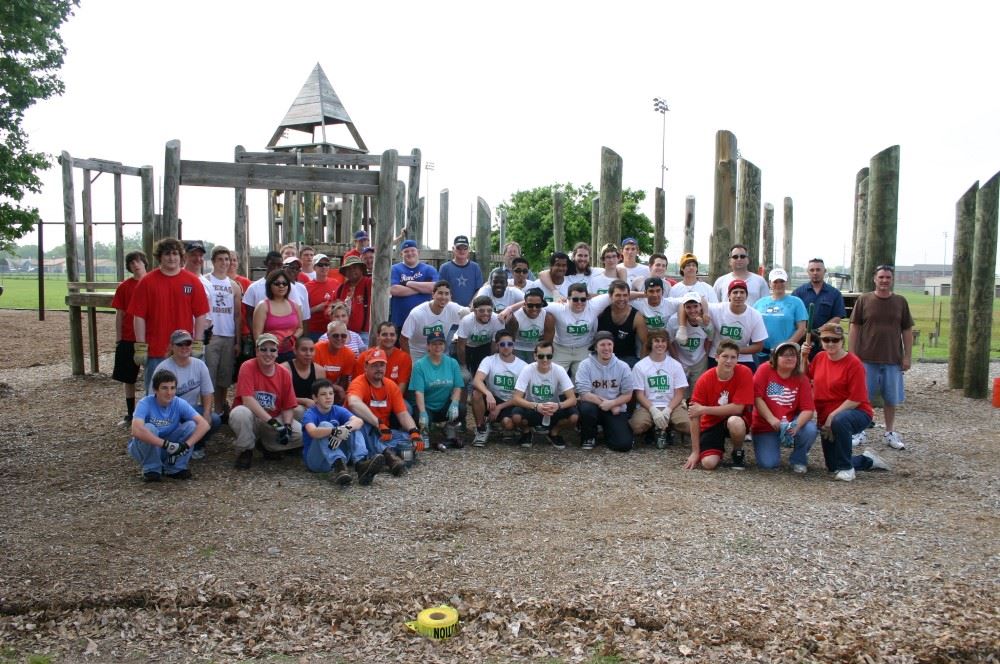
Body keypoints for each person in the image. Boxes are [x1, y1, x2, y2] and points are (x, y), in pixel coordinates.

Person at [803, 323, 891, 480]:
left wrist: (832, 416)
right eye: (826, 339)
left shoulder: (854, 363)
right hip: (826, 414)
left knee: (839, 421)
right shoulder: (819, 358)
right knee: (832, 466)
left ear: (842, 341)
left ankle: (847, 469)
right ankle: (867, 460)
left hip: (855, 412)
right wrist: (803, 357)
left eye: (835, 340)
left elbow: (856, 399)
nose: (830, 343)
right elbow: (805, 376)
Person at [128, 237, 210, 393]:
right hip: (156, 350)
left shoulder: (193, 281)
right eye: (167, 254)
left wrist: (198, 342)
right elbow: (138, 316)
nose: (171, 258)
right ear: (160, 257)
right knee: (155, 394)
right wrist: (140, 346)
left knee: (185, 394)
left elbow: (201, 314)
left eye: (175, 253)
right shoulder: (146, 282)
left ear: (181, 256)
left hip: (184, 349)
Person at [849, 265, 914, 450]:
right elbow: (855, 327)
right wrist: (852, 354)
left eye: (888, 277)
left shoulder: (900, 301)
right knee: (862, 397)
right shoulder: (864, 300)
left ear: (892, 279)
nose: (884, 280)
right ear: (874, 279)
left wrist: (907, 356)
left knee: (891, 398)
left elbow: (907, 329)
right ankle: (859, 431)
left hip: (892, 359)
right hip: (866, 358)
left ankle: (890, 432)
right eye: (881, 277)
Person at [229, 333, 303, 469]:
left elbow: (288, 405)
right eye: (263, 349)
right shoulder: (247, 366)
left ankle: (267, 446)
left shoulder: (284, 373)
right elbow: (247, 400)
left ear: (277, 353)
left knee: (299, 434)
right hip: (252, 418)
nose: (268, 353)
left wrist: (286, 426)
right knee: (239, 413)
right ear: (256, 351)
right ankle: (246, 450)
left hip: (272, 420)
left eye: (272, 350)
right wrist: (273, 423)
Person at [346, 349, 421, 476]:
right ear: (365, 366)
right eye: (374, 365)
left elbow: (402, 413)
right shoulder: (358, 382)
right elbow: (353, 403)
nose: (379, 369)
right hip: (361, 432)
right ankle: (386, 457)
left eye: (382, 365)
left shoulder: (390, 385)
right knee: (363, 424)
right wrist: (378, 423)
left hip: (383, 432)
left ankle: (378, 455)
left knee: (408, 439)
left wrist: (413, 431)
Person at [128, 369, 209, 482]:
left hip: (168, 448)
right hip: (146, 448)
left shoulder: (179, 402)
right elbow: (136, 430)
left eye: (172, 388)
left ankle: (175, 469)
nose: (169, 392)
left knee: (191, 425)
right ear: (155, 390)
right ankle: (151, 469)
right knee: (149, 428)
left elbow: (204, 425)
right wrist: (166, 445)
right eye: (164, 388)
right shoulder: (145, 403)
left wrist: (185, 445)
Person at [152, 329, 223, 459]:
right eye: (180, 344)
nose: (184, 347)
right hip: (169, 412)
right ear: (172, 346)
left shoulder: (199, 365)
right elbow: (154, 399)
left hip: (191, 410)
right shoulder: (164, 368)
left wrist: (206, 413)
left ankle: (196, 445)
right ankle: (172, 447)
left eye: (188, 343)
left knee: (215, 419)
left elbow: (207, 392)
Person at [683, 341, 753, 471]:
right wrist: (695, 451)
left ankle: (737, 451)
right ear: (716, 357)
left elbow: (738, 408)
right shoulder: (704, 379)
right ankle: (715, 450)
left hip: (736, 419)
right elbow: (694, 414)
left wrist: (704, 409)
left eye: (733, 357)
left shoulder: (745, 373)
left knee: (735, 422)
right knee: (708, 464)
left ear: (737, 359)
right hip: (711, 422)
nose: (729, 361)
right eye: (725, 356)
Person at [751, 341, 819, 473]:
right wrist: (771, 419)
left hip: (790, 420)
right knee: (768, 464)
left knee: (810, 429)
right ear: (775, 358)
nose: (790, 358)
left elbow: (808, 409)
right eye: (784, 355)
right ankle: (766, 443)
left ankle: (799, 458)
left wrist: (795, 426)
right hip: (765, 424)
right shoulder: (764, 370)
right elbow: (756, 397)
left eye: (793, 355)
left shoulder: (801, 377)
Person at [301, 379, 382, 486]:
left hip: (341, 460)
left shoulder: (338, 409)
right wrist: (335, 431)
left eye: (331, 393)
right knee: (325, 425)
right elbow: (313, 432)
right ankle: (338, 465)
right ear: (315, 398)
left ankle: (360, 463)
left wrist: (345, 429)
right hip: (317, 462)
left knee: (352, 425)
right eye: (323, 394)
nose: (328, 397)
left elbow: (359, 421)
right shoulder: (310, 413)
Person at [511, 341, 579, 449]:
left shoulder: (559, 370)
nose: (545, 359)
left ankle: (554, 432)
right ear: (535, 356)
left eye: (549, 356)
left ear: (553, 356)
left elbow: (573, 399)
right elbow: (516, 398)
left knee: (574, 417)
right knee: (516, 416)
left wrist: (558, 406)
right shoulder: (528, 369)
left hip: (553, 408)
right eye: (541, 356)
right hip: (533, 407)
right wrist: (536, 406)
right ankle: (527, 432)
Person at [630, 329, 690, 448]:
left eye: (663, 341)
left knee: (689, 425)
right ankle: (653, 429)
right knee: (636, 426)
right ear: (650, 343)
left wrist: (668, 410)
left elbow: (679, 393)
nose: (660, 344)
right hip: (648, 405)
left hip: (671, 404)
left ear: (667, 344)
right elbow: (639, 395)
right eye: (656, 341)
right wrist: (653, 410)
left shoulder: (675, 365)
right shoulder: (640, 366)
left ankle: (667, 429)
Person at [575, 331, 636, 451]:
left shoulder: (623, 366)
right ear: (596, 347)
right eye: (602, 345)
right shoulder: (585, 365)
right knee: (587, 408)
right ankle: (589, 436)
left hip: (615, 408)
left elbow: (628, 395)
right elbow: (584, 393)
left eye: (609, 344)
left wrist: (613, 404)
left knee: (624, 445)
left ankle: (608, 432)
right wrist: (607, 403)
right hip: (593, 406)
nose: (606, 348)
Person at [201, 245, 242, 421]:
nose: (224, 263)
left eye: (227, 259)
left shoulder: (234, 286)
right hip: (211, 335)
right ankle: (206, 410)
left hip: (229, 334)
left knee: (224, 376)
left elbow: (238, 315)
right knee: (209, 373)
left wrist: (238, 341)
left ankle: (219, 409)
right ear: (213, 261)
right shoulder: (205, 281)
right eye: (221, 259)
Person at [471, 330, 528, 446]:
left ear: (513, 345)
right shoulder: (489, 360)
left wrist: (500, 407)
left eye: (509, 344)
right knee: (477, 393)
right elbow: (477, 380)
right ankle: (481, 428)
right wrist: (488, 393)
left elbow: (522, 395)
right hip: (493, 399)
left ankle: (498, 424)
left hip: (511, 401)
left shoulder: (523, 366)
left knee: (508, 424)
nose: (506, 347)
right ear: (497, 345)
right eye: (502, 344)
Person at [411, 330, 466, 450]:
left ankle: (450, 428)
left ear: (445, 346)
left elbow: (458, 386)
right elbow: (419, 392)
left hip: (443, 405)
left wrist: (454, 403)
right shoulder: (419, 365)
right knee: (418, 417)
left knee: (461, 409)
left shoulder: (452, 363)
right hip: (426, 405)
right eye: (434, 344)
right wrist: (422, 412)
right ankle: (424, 432)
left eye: (440, 344)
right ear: (428, 346)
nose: (437, 347)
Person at [111, 250, 147, 426]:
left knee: (153, 376)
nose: (136, 264)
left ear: (144, 262)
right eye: (132, 262)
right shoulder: (124, 287)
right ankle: (131, 414)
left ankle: (151, 412)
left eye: (138, 261)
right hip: (128, 337)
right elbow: (120, 313)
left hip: (150, 337)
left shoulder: (152, 282)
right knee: (128, 378)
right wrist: (119, 338)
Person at [545, 283, 611, 376]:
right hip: (561, 348)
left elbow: (619, 294)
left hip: (584, 348)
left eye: (583, 299)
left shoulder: (593, 305)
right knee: (553, 377)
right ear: (568, 298)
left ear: (587, 298)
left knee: (582, 379)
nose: (579, 302)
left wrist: (639, 294)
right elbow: (533, 303)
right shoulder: (559, 307)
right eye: (575, 299)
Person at [400, 280, 469, 362]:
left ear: (450, 296)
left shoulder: (452, 308)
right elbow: (403, 339)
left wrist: (468, 311)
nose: (443, 297)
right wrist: (408, 360)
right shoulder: (417, 313)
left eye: (446, 294)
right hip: (417, 354)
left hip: (438, 353)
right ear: (433, 295)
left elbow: (470, 315)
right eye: (440, 293)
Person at [707, 279, 768, 371]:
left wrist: (734, 351)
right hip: (717, 356)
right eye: (735, 292)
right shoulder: (717, 309)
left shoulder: (755, 315)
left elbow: (758, 346)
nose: (738, 296)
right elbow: (700, 301)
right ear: (729, 295)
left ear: (746, 296)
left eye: (742, 292)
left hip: (742, 357)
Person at [243, 254, 311, 337]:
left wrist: (294, 339)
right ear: (266, 263)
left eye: (279, 265)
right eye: (272, 264)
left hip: (290, 343)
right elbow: (249, 315)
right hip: (265, 343)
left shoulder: (291, 287)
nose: (281, 286)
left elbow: (300, 317)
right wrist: (257, 338)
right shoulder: (254, 288)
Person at [792, 258, 846, 359]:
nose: (815, 273)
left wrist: (818, 331)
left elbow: (837, 317)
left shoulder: (834, 293)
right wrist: (805, 331)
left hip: (826, 341)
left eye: (818, 270)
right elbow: (793, 316)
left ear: (824, 271)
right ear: (807, 272)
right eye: (812, 270)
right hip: (802, 340)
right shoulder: (798, 293)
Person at [753, 268, 807, 362]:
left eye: (782, 281)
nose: (779, 284)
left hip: (785, 353)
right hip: (762, 353)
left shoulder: (796, 302)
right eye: (775, 281)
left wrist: (786, 346)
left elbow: (802, 328)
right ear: (770, 283)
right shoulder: (759, 303)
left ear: (786, 282)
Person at [252, 269, 303, 364]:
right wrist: (265, 352)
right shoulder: (262, 306)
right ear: (269, 285)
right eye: (277, 283)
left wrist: (293, 339)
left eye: (285, 283)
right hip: (269, 354)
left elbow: (300, 328)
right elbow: (257, 336)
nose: (281, 286)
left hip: (291, 353)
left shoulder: (295, 306)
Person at [667, 293, 713, 392]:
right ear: (684, 308)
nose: (692, 310)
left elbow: (710, 339)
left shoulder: (706, 321)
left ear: (700, 306)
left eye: (695, 306)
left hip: (699, 360)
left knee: (697, 391)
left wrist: (705, 354)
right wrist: (677, 360)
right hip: (680, 360)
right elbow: (669, 342)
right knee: (681, 393)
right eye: (688, 307)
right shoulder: (674, 321)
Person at [390, 239, 439, 330]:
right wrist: (422, 288)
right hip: (401, 320)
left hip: (425, 319)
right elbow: (394, 290)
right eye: (406, 251)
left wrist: (408, 283)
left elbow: (434, 287)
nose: (410, 253)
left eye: (413, 250)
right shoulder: (394, 269)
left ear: (418, 252)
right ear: (401, 254)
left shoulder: (429, 269)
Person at [597, 279, 647, 367]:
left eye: (625, 295)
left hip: (627, 358)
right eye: (618, 295)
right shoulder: (601, 311)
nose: (622, 299)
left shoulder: (637, 317)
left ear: (629, 296)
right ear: (610, 296)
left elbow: (646, 342)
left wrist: (641, 365)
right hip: (602, 356)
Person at [456, 295, 505, 380]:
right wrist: (464, 366)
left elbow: (494, 346)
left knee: (482, 373)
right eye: (481, 311)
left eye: (489, 310)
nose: (486, 313)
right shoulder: (466, 321)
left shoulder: (497, 320)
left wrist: (490, 363)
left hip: (485, 346)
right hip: (468, 346)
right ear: (475, 311)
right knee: (465, 376)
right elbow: (461, 346)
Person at [358, 322, 412, 396]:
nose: (388, 338)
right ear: (378, 336)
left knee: (407, 407)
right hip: (368, 397)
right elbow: (358, 384)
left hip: (393, 398)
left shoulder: (404, 358)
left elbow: (401, 387)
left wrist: (388, 403)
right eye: (384, 334)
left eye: (392, 335)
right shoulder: (364, 357)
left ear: (396, 337)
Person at [283, 335, 326, 418]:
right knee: (299, 410)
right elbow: (281, 397)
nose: (308, 354)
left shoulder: (319, 370)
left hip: (312, 406)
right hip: (290, 407)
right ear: (295, 351)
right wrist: (304, 401)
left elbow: (322, 395)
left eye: (311, 350)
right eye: (304, 350)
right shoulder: (285, 369)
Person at [507, 287, 553, 363]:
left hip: (537, 349)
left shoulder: (548, 318)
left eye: (538, 305)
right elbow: (510, 340)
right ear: (524, 304)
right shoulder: (515, 317)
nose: (534, 309)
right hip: (518, 348)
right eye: (530, 305)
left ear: (542, 304)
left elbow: (547, 343)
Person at [313, 321, 356, 401]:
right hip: (317, 387)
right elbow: (315, 379)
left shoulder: (349, 354)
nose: (339, 339)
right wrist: (335, 388)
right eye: (335, 335)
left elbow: (344, 380)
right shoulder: (317, 349)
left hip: (333, 390)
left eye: (343, 336)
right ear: (328, 336)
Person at [304, 253, 342, 342]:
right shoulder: (307, 287)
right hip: (314, 331)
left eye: (326, 265)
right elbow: (302, 313)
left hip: (333, 329)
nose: (324, 267)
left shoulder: (336, 283)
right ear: (314, 267)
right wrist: (318, 308)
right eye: (320, 265)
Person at [438, 235, 483, 307]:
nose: (462, 251)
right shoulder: (444, 268)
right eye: (459, 248)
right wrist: (453, 307)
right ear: (453, 249)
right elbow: (441, 290)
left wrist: (471, 306)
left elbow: (479, 290)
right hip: (449, 309)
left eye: (465, 248)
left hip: (470, 310)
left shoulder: (475, 267)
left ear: (469, 249)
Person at [335, 256, 372, 344]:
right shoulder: (341, 287)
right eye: (348, 269)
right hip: (344, 334)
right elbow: (330, 308)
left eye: (355, 268)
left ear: (361, 269)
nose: (351, 271)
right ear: (345, 272)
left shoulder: (369, 283)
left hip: (364, 334)